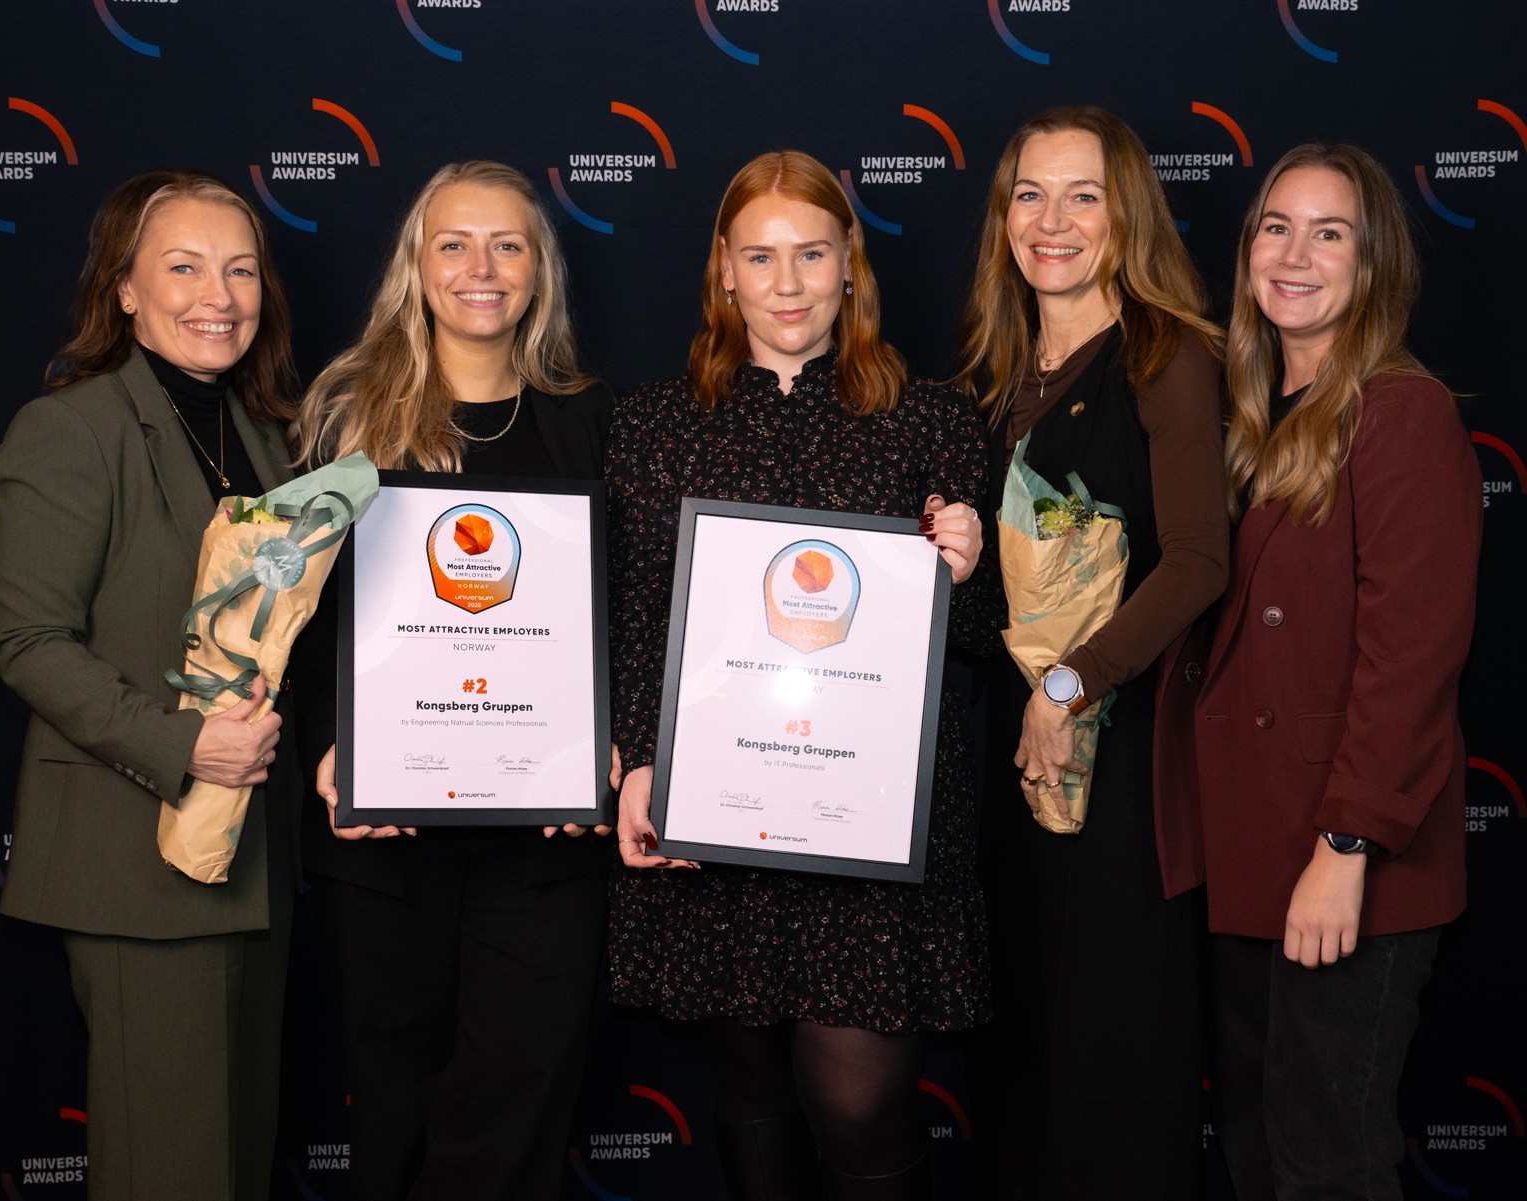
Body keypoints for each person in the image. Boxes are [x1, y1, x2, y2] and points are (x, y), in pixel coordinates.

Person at [607, 149, 989, 1201]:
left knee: (860, 1108)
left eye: (811, 254)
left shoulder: (931, 418)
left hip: (867, 829)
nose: (786, 283)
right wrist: (639, 764)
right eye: (760, 256)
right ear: (722, 271)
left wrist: (967, 564)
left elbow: (991, 639)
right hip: (720, 811)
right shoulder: (654, 424)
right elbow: (638, 615)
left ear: (849, 263)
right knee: (749, 1090)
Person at [292, 160, 615, 1201]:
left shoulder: (591, 422)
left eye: (508, 244)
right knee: (396, 1099)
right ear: (416, 267)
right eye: (454, 244)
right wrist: (328, 751)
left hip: (542, 839)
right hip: (386, 836)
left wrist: (605, 734)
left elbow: (626, 611)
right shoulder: (343, 417)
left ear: (540, 270)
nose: (482, 268)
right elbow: (289, 623)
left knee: (520, 1097)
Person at [0, 170, 299, 1201]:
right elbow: (27, 641)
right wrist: (183, 744)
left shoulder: (259, 436)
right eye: (184, 266)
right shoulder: (71, 430)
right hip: (139, 862)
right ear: (123, 288)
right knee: (172, 1172)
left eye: (241, 269)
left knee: (234, 1162)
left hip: (251, 857)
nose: (219, 293)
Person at [953, 106, 1229, 1200]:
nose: (1051, 221)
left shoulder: (1165, 356)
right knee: (1024, 1054)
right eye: (1029, 193)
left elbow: (1200, 562)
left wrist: (1073, 683)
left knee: (1112, 1064)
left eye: (1083, 195)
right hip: (1016, 768)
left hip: (1122, 775)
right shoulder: (999, 368)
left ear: (1128, 216)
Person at [1196, 144, 1481, 1201]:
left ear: (1373, 266)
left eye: (1330, 233)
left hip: (1347, 863)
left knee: (1330, 1163)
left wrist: (1345, 842)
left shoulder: (1402, 414)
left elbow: (1411, 657)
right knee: (1261, 1153)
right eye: (1276, 226)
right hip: (1249, 857)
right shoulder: (1247, 413)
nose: (1295, 254)